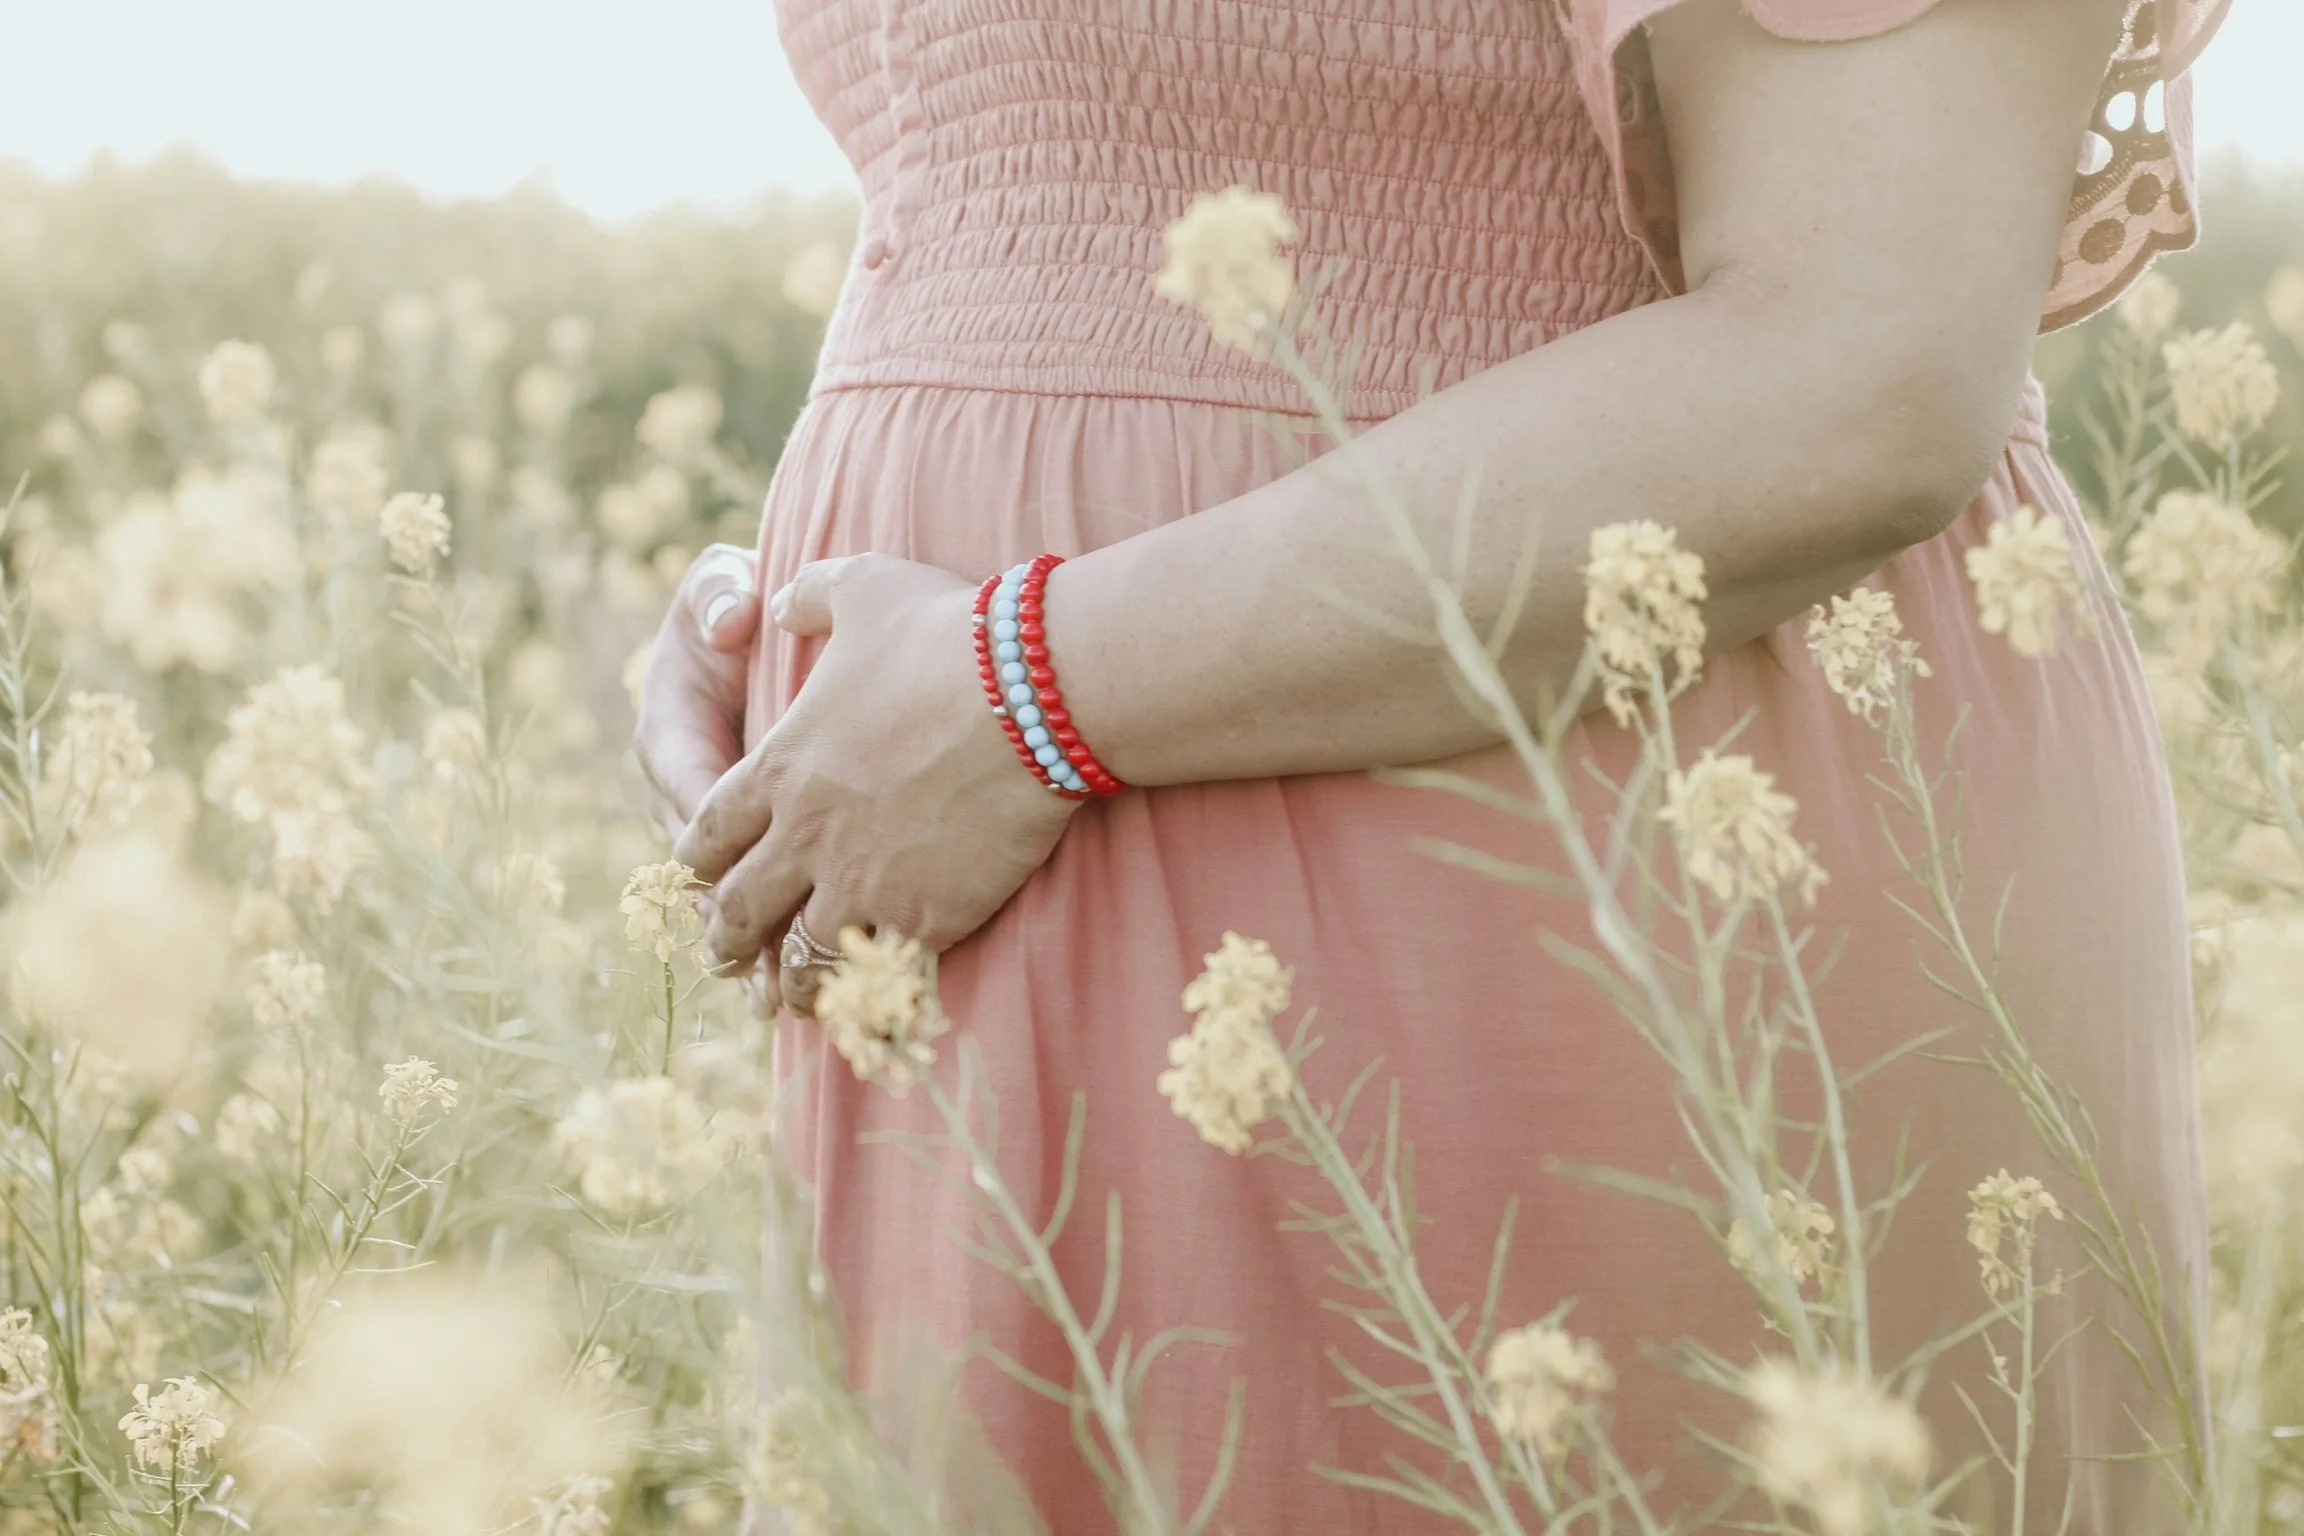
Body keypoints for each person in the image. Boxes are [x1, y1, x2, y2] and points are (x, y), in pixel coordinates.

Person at [638, 0, 2225, 1527]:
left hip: (1562, 892)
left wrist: (1023, 680)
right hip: (1001, 934)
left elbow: (1864, 357)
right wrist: (807, 622)